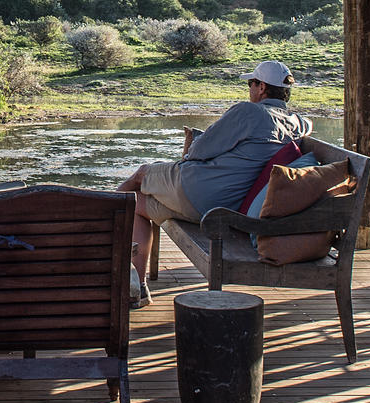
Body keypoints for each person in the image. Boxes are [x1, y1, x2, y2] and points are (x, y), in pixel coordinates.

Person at [120, 60, 313, 292]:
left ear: (262, 87)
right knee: (136, 204)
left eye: (251, 83)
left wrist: (199, 142)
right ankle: (137, 287)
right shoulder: (298, 124)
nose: (250, 89)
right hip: (225, 208)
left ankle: (99, 221)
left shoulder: (248, 112)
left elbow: (198, 151)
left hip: (198, 193)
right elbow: (305, 125)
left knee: (141, 175)